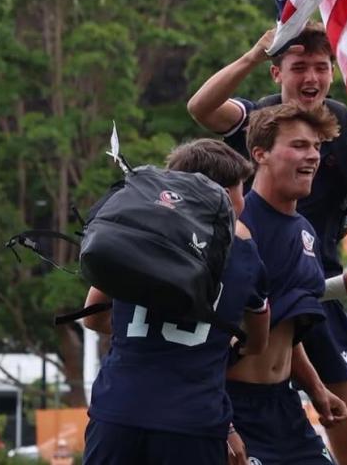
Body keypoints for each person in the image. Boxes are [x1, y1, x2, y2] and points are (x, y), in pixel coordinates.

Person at [188, 23, 347, 464]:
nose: (311, 78)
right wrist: (253, 54)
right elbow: (202, 108)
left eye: (321, 67)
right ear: (260, 153)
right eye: (299, 66)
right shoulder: (259, 121)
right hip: (257, 291)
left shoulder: (345, 129)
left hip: (316, 292)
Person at [82, 139, 270, 465]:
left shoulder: (134, 239)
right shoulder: (244, 254)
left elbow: (92, 317)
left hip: (117, 411)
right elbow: (257, 341)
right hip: (192, 420)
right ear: (224, 197)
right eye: (242, 190)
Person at [226, 102, 347, 464]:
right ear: (259, 154)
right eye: (299, 146)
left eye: (316, 147)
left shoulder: (304, 229)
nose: (312, 156)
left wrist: (317, 389)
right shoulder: (239, 227)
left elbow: (283, 326)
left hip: (285, 405)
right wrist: (223, 424)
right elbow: (212, 336)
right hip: (234, 406)